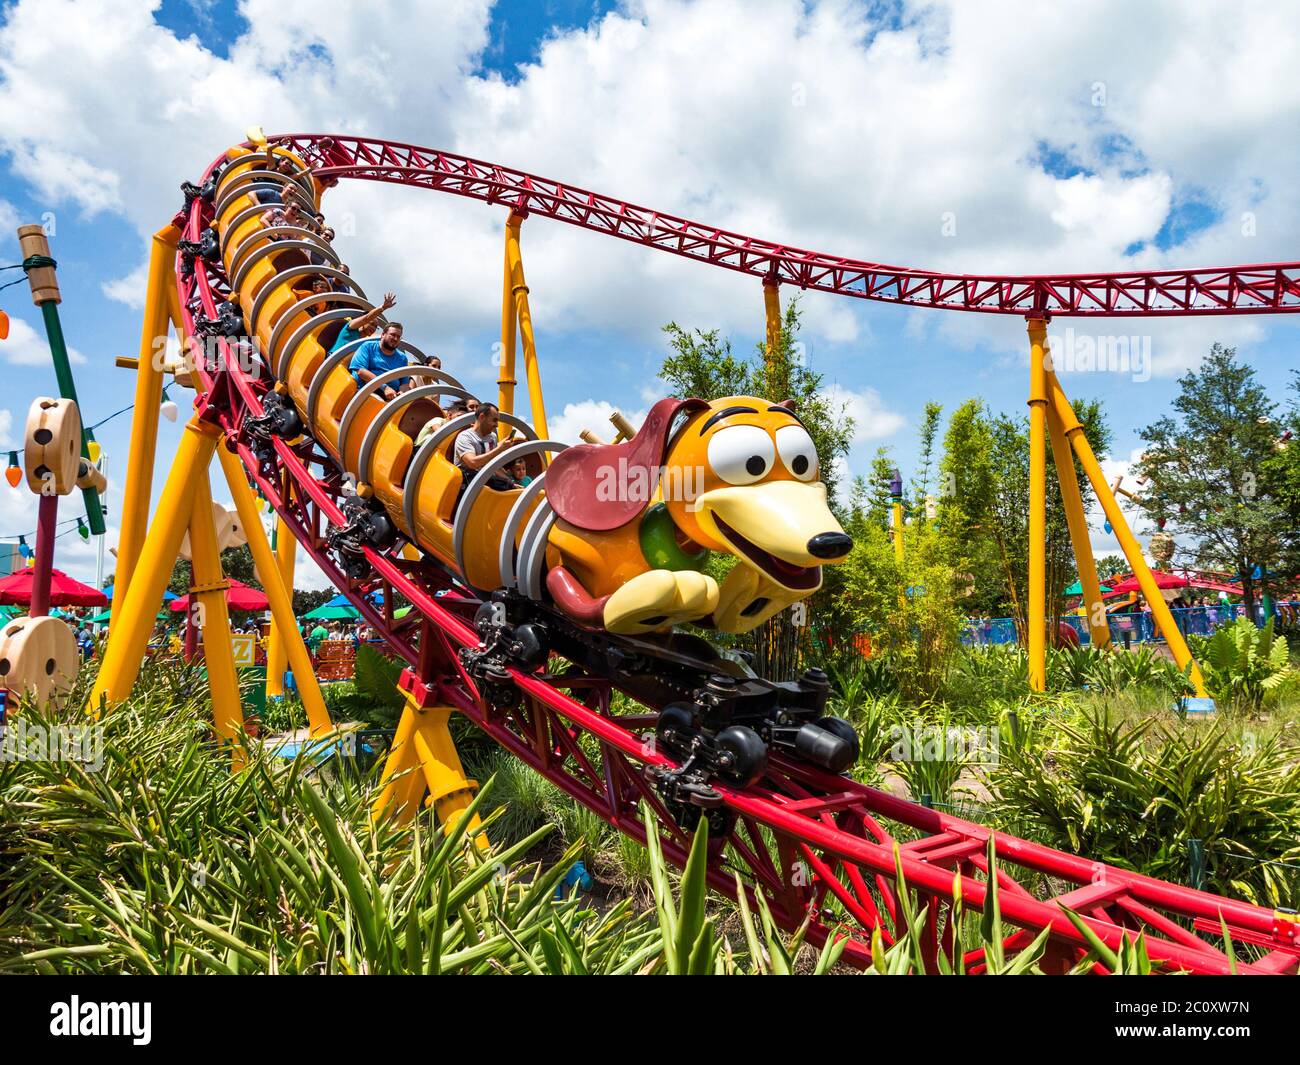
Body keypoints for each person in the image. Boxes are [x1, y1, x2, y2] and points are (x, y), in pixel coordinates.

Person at [455, 403, 518, 490]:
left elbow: (493, 466)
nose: (497, 425)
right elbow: (472, 463)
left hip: (487, 481)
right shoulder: (465, 436)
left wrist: (512, 482)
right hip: (468, 483)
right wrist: (499, 449)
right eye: (494, 420)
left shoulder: (493, 437)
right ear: (482, 417)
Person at [348, 321, 412, 399]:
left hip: (391, 397)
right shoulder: (368, 346)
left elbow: (404, 383)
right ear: (383, 335)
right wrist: (385, 388)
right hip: (366, 392)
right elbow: (361, 371)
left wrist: (401, 393)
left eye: (398, 337)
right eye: (392, 335)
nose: (395, 339)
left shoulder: (402, 358)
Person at [332, 292, 396, 353]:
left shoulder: (365, 342)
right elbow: (366, 318)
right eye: (372, 324)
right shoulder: (351, 327)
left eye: (376, 327)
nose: (373, 328)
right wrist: (383, 307)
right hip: (332, 360)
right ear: (365, 323)